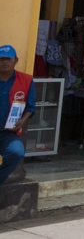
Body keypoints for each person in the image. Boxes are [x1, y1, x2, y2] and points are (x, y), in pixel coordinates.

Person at [0, 45, 35, 185]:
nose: (5, 62)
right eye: (1, 59)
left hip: (9, 133)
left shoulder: (26, 80)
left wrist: (22, 121)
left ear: (16, 60)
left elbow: (31, 107)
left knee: (17, 153)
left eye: (8, 59)